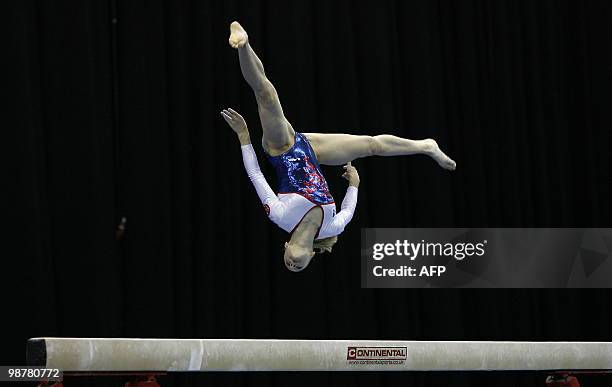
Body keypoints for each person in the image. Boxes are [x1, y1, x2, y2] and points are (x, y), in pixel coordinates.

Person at [222, 21, 456, 272]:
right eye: (298, 267)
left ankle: (243, 44)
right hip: (314, 151)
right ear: (312, 255)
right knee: (371, 145)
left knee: (266, 95)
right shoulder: (333, 227)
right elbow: (348, 208)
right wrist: (354, 184)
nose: (292, 264)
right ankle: (426, 146)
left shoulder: (280, 216)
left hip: (282, 150)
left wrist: (244, 135)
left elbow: (255, 174)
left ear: (286, 245)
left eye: (287, 263)